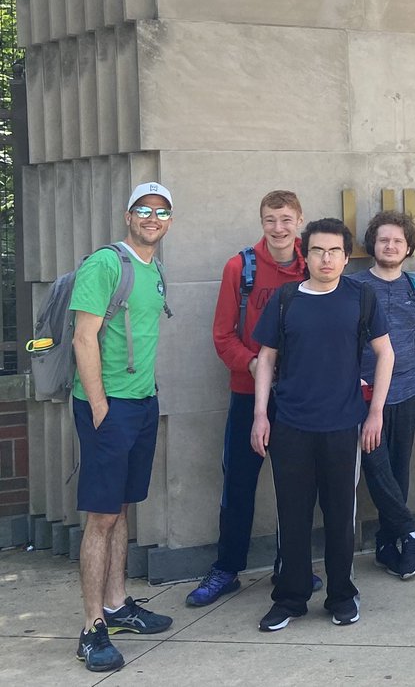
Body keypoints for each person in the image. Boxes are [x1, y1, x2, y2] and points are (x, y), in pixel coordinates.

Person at [250, 219, 393, 631]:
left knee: (339, 518)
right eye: (317, 250)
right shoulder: (286, 299)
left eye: (334, 251)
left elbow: (385, 355)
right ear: (305, 254)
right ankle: (291, 598)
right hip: (291, 425)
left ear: (346, 257)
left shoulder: (360, 297)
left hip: (343, 426)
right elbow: (266, 359)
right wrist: (261, 414)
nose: (326, 259)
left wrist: (376, 412)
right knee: (292, 516)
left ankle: (341, 595)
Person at [188, 190, 312, 607]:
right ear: (261, 222)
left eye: (286, 219)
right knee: (239, 483)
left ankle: (291, 565)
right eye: (270, 219)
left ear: (299, 220)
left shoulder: (312, 264)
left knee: (295, 486)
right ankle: (226, 569)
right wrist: (253, 365)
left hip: (299, 398)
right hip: (247, 394)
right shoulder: (239, 267)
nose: (278, 228)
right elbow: (222, 336)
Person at [71, 182, 175, 672]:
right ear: (127, 215)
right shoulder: (105, 263)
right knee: (101, 516)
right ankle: (92, 628)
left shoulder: (153, 268)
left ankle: (117, 604)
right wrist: (98, 407)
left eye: (161, 211)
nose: (152, 217)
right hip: (107, 407)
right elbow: (83, 337)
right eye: (144, 209)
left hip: (142, 403)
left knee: (122, 509)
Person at [349, 211, 415, 579]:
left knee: (398, 470)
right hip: (362, 395)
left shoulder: (414, 286)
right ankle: (410, 531)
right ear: (373, 244)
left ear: (408, 248)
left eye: (398, 241)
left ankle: (388, 544)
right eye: (384, 240)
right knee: (375, 466)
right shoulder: (352, 286)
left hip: (406, 391)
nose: (390, 246)